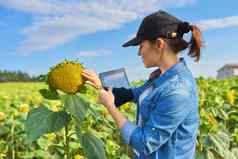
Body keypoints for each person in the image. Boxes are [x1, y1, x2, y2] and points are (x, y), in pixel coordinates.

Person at [82, 10, 202, 159]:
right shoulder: (161, 76)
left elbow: (145, 143)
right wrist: (99, 84)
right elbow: (134, 93)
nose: (139, 53)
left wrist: (110, 107)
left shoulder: (177, 91)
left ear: (159, 44)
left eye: (141, 45)